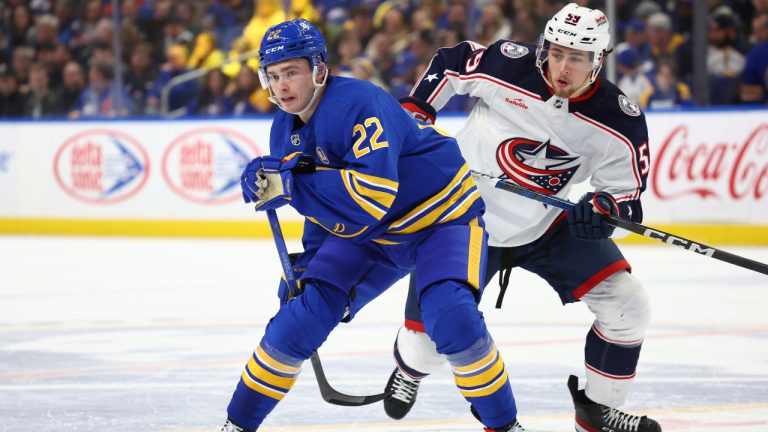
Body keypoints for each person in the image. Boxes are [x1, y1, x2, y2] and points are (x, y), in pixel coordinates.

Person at [220, 18, 523, 432]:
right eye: (273, 76)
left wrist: (293, 184)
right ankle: (236, 425)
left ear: (319, 69)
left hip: (440, 219)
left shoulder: (358, 102)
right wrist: (309, 262)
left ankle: (505, 426)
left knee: (453, 319)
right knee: (298, 321)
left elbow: (371, 197)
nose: (282, 85)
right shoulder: (283, 130)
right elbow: (322, 210)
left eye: (291, 71)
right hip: (369, 237)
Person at [384, 4, 661, 432]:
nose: (562, 67)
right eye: (555, 53)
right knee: (426, 345)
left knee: (627, 304)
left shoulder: (618, 120)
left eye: (577, 58)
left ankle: (598, 410)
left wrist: (604, 211)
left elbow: (627, 196)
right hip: (462, 218)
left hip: (546, 221)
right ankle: (409, 370)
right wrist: (417, 112)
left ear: (598, 61)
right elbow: (453, 62)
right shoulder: (508, 64)